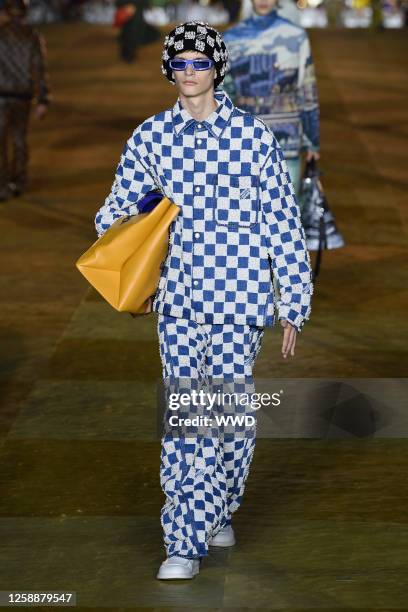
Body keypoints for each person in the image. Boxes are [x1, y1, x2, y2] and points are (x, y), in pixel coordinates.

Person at [94, 20, 313, 580]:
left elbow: (283, 223)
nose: (190, 72)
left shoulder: (254, 138)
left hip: (239, 300)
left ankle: (220, 504)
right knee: (190, 414)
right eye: (181, 63)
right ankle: (184, 540)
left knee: (232, 416)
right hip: (177, 299)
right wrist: (141, 211)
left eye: (200, 62)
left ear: (218, 68)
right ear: (170, 70)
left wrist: (293, 297)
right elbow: (110, 214)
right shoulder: (150, 138)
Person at [222, 0, 320, 196]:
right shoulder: (229, 38)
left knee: (285, 210)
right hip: (245, 139)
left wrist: (312, 140)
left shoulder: (297, 36)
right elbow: (222, 93)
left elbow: (307, 90)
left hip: (285, 140)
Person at [0, 0, 50, 201]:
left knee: (0, 141)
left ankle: (2, 186)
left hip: (1, 96)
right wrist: (43, 99)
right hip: (22, 96)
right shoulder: (32, 36)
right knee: (19, 139)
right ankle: (19, 182)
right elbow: (40, 68)